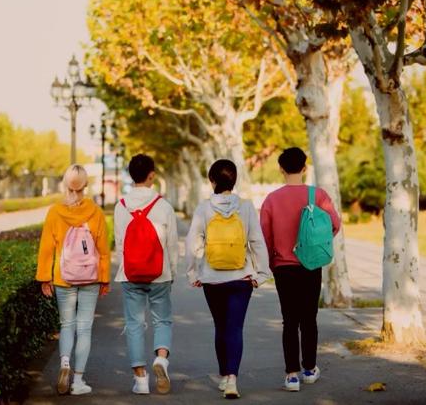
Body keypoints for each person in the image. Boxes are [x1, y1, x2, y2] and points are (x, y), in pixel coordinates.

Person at [185, 159, 270, 399]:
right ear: (234, 181)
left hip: (212, 278)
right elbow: (257, 241)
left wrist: (193, 273)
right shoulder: (246, 207)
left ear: (211, 181)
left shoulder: (203, 208)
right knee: (235, 327)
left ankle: (224, 375)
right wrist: (261, 274)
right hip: (241, 277)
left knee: (220, 326)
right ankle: (232, 378)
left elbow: (193, 243)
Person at [259, 147, 341, 392]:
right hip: (311, 264)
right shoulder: (319, 195)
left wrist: (271, 262)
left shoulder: (271, 200)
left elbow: (265, 237)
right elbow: (334, 226)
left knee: (289, 321)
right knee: (309, 319)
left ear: (281, 169)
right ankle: (309, 369)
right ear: (305, 168)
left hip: (283, 267)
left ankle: (291, 375)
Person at [35, 165, 111, 396]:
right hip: (89, 276)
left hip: (63, 277)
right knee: (84, 328)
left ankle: (64, 364)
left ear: (65, 185)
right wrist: (104, 278)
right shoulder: (95, 212)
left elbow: (46, 249)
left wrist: (44, 278)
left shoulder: (55, 212)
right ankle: (78, 381)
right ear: (85, 186)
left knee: (66, 325)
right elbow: (104, 249)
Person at [114, 154, 179, 395]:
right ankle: (161, 359)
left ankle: (140, 380)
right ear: (152, 175)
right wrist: (172, 271)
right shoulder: (163, 206)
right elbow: (172, 244)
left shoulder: (120, 207)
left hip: (130, 274)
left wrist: (125, 267)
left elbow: (120, 244)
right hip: (159, 274)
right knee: (162, 320)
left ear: (131, 176)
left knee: (134, 324)